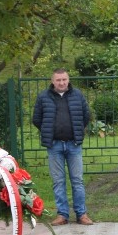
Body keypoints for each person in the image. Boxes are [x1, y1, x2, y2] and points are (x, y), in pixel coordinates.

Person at [32, 69, 93, 226]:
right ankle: (62, 215)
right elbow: (37, 119)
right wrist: (49, 131)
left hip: (74, 144)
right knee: (58, 181)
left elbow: (86, 116)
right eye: (58, 80)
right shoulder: (43, 97)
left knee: (77, 180)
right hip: (54, 146)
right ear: (53, 81)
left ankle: (81, 214)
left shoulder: (77, 95)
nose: (61, 83)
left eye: (64, 79)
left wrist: (76, 131)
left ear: (68, 80)